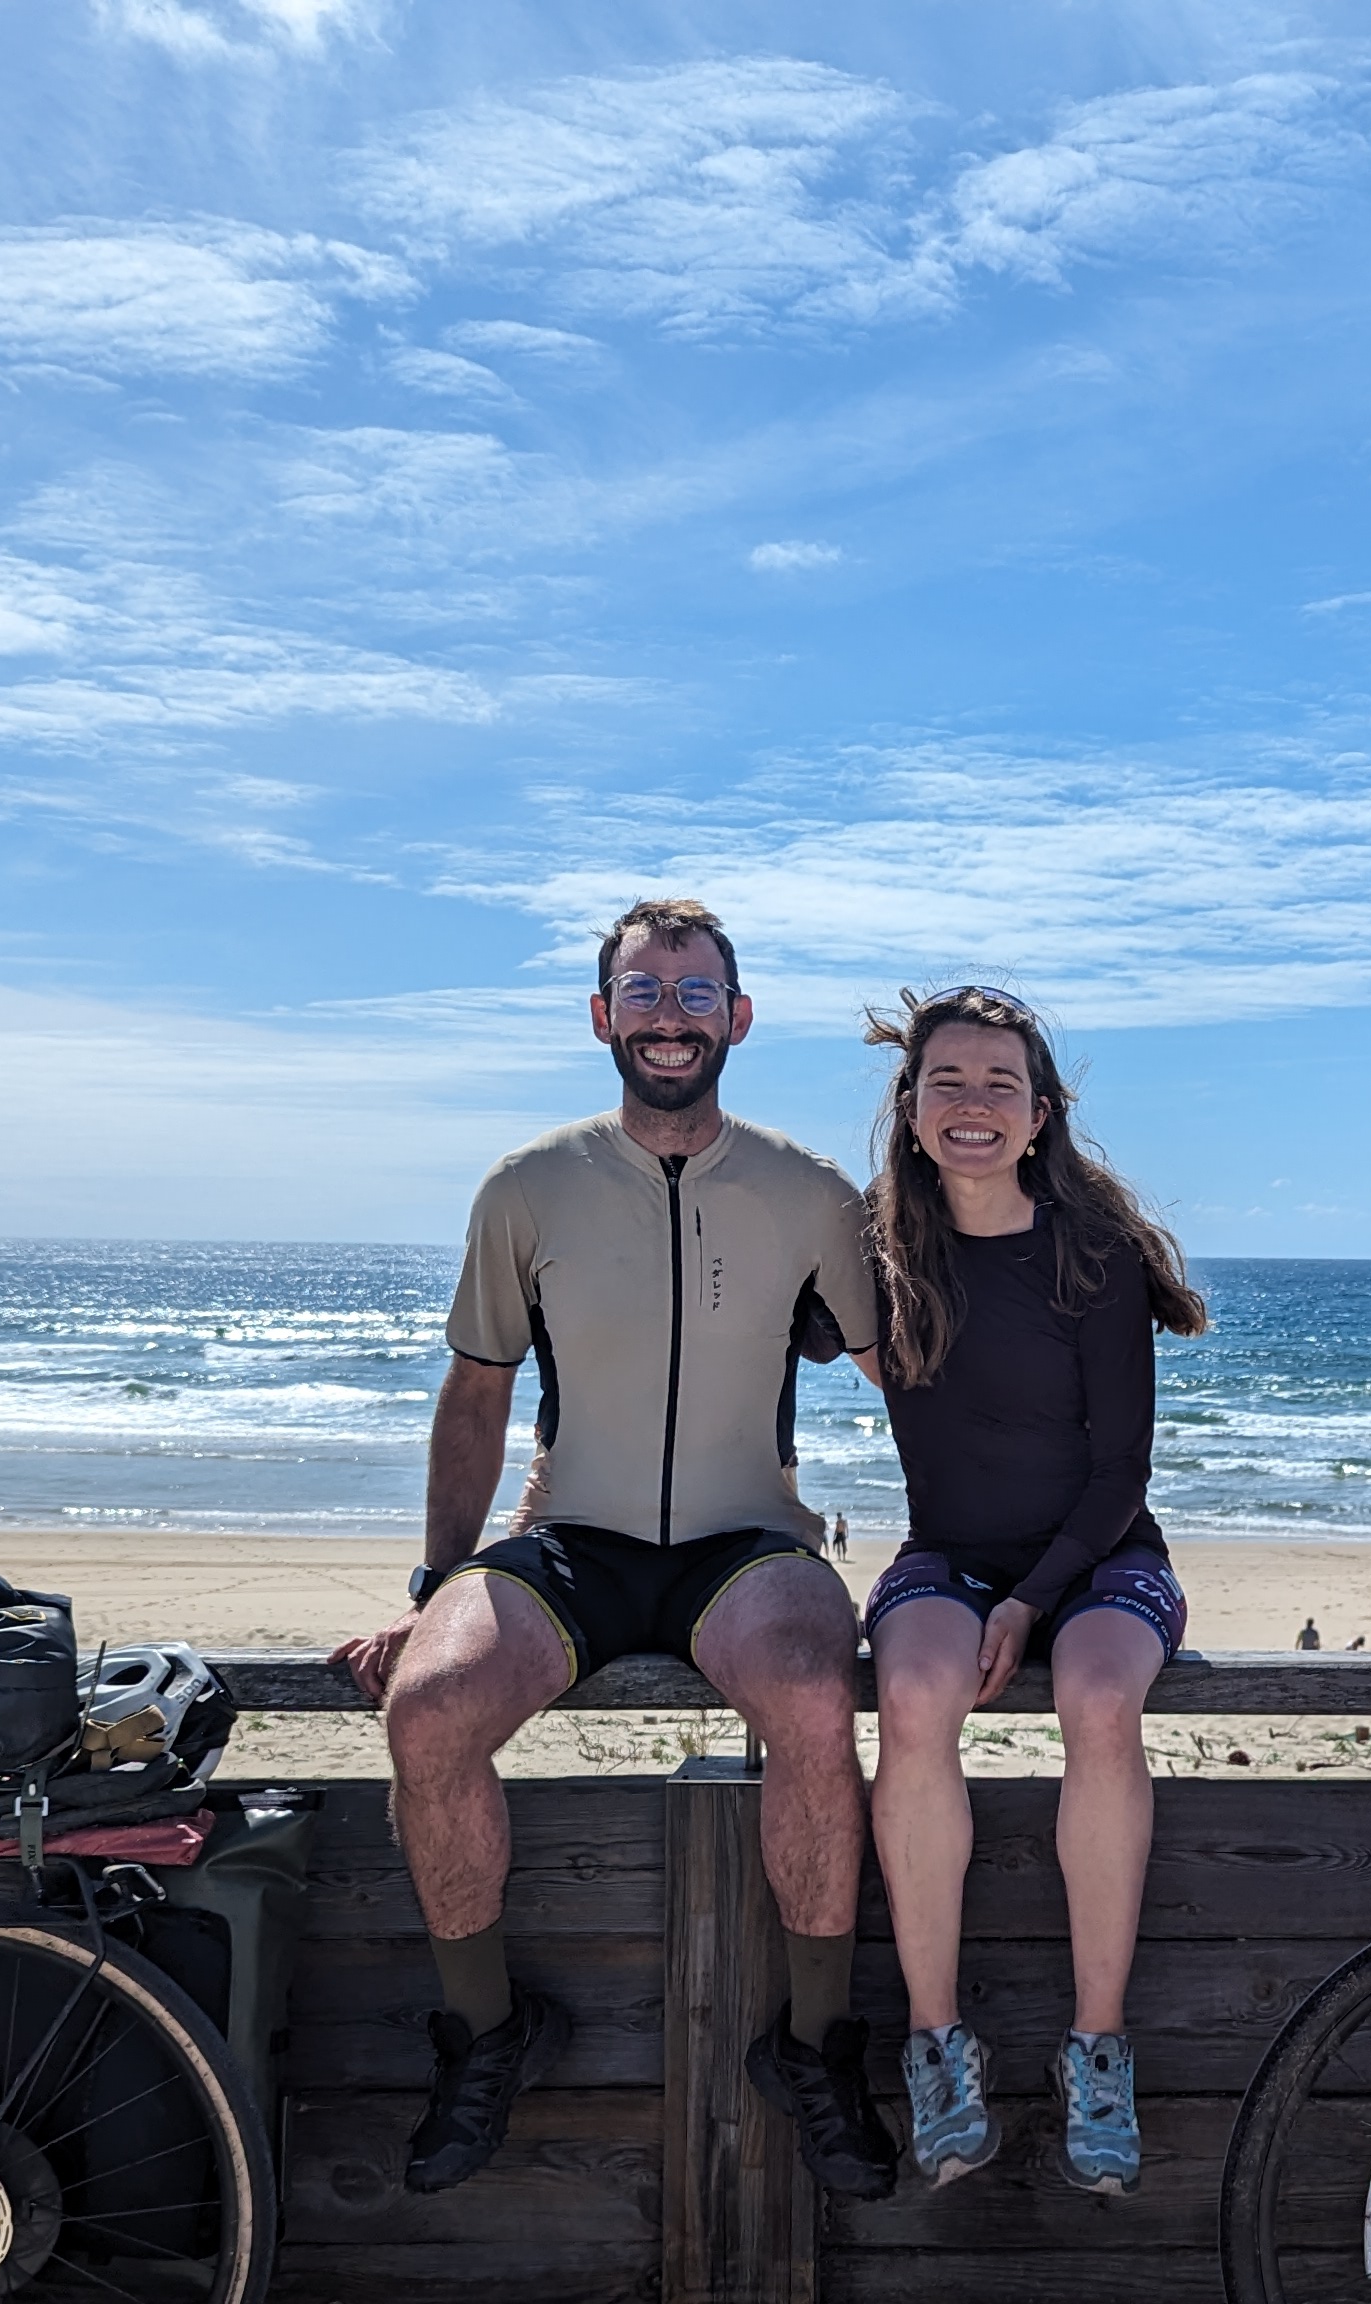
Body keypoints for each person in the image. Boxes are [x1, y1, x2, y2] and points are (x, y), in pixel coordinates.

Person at [333, 897, 894, 2199]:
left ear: (738, 1020)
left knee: (818, 1693)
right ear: (602, 1017)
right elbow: (475, 1398)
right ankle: (485, 2032)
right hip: (569, 1541)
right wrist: (433, 1591)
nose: (670, 1018)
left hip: (745, 1544)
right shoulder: (528, 1188)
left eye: (696, 995)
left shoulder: (811, 1196)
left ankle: (814, 2048)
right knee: (427, 1709)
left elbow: (900, 1370)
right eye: (644, 994)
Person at [856, 984, 1209, 2196]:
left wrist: (1033, 1602)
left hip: (1105, 1558)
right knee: (910, 1698)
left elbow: (1121, 1471)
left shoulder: (1093, 1258)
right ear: (910, 1110)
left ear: (1042, 1113)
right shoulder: (878, 1254)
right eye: (947, 1081)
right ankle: (936, 2042)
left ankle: (1097, 2049)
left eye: (1001, 1084)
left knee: (1100, 1700)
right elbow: (745, 1329)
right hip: (949, 1557)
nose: (973, 1104)